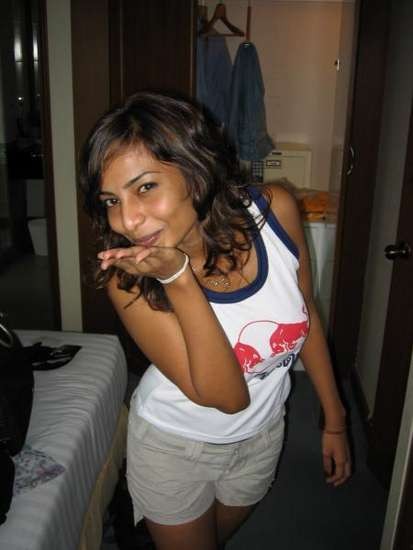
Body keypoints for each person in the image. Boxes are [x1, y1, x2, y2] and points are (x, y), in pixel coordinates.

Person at [79, 91, 351, 550]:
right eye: (110, 200)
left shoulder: (275, 212)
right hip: (174, 447)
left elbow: (306, 316)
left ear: (195, 170)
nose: (126, 220)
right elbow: (228, 398)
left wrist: (336, 419)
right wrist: (178, 279)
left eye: (145, 187)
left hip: (264, 435)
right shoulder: (128, 278)